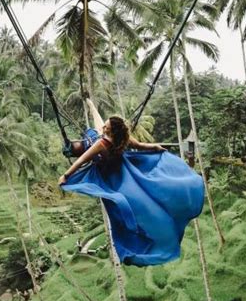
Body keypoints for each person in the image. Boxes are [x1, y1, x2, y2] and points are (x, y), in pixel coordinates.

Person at [59, 100, 205, 267]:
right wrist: (155, 147)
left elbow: (82, 160)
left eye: (106, 126)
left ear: (110, 130)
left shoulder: (101, 143)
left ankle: (87, 114)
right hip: (120, 167)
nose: (104, 126)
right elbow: (142, 145)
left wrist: (66, 175)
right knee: (95, 126)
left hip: (105, 168)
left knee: (81, 144)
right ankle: (91, 106)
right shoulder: (122, 139)